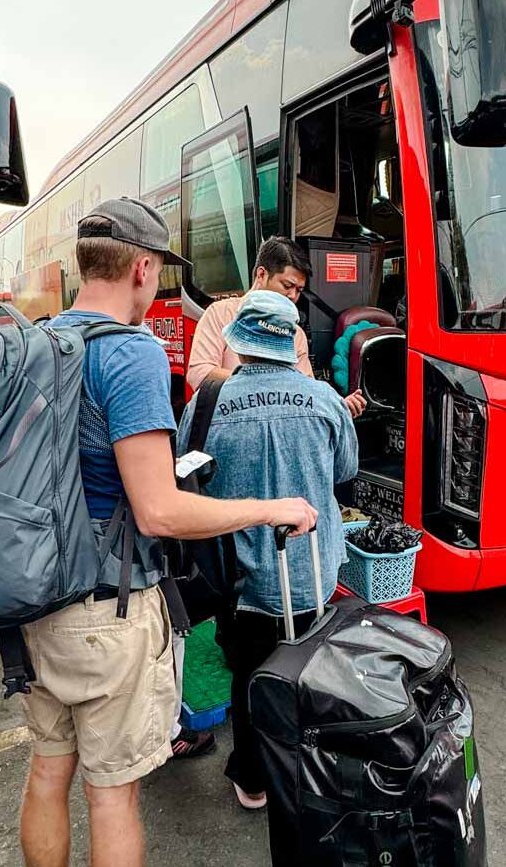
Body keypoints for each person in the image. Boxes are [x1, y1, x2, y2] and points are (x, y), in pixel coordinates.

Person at [19, 198, 317, 867]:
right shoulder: (132, 355)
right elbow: (159, 510)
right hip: (105, 606)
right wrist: (266, 508)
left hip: (33, 595)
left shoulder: (39, 340)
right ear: (143, 267)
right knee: (111, 794)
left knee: (47, 770)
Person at [177, 290, 359, 810]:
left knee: (251, 678)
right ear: (288, 342)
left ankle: (254, 779)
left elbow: (188, 478)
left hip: (242, 581)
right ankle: (313, 774)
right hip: (315, 577)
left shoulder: (207, 402)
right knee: (310, 676)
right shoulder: (323, 398)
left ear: (240, 342)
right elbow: (344, 471)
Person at [186, 236, 368, 419]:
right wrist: (266, 382)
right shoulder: (220, 314)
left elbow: (306, 386)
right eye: (287, 285)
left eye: (299, 290)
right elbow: (200, 373)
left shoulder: (295, 333)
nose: (293, 296)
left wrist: (333, 404)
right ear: (261, 274)